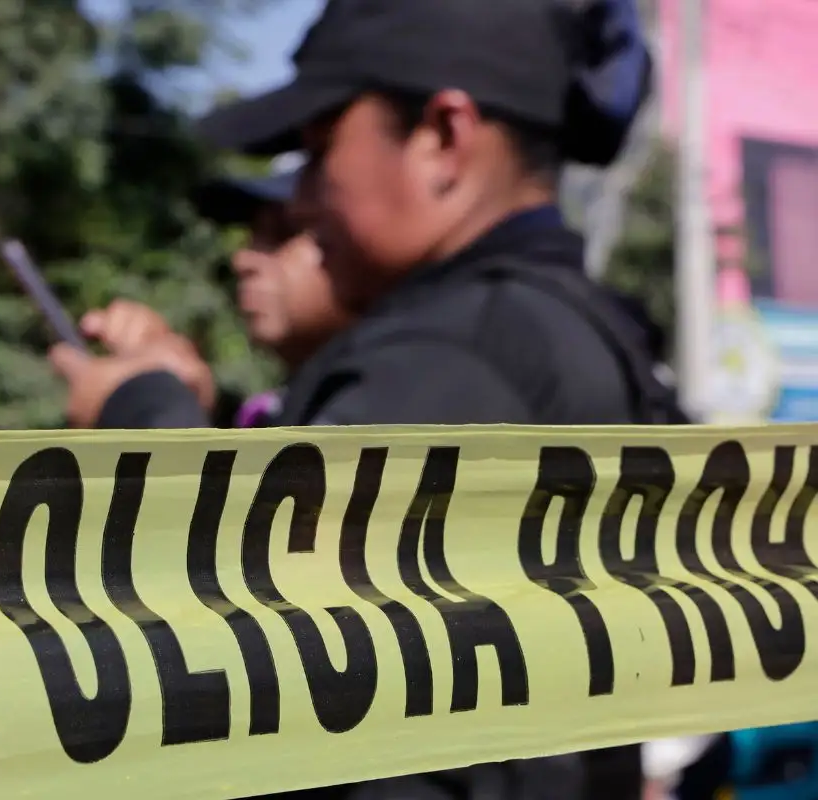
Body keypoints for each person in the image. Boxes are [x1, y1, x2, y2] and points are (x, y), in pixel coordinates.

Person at [50, 0, 662, 797]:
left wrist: (144, 418)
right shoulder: (555, 331)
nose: (303, 202)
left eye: (319, 152)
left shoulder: (450, 360)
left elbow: (253, 659)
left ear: (442, 137)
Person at [66, 153, 351, 429]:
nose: (242, 259)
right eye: (253, 234)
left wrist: (140, 402)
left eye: (284, 231)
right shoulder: (298, 406)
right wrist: (178, 381)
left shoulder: (371, 403)